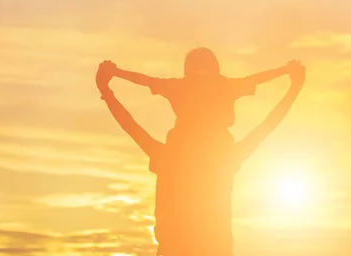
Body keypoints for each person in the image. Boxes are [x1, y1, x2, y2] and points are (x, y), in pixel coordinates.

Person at [95, 59, 305, 256]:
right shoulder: (225, 158)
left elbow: (129, 124)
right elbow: (268, 124)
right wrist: (293, 87)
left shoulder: (169, 156)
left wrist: (107, 89)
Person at [108, 47, 294, 149]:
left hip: (197, 148)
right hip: (208, 149)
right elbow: (147, 81)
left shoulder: (182, 86)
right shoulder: (222, 85)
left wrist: (115, 72)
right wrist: (285, 71)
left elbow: (147, 81)